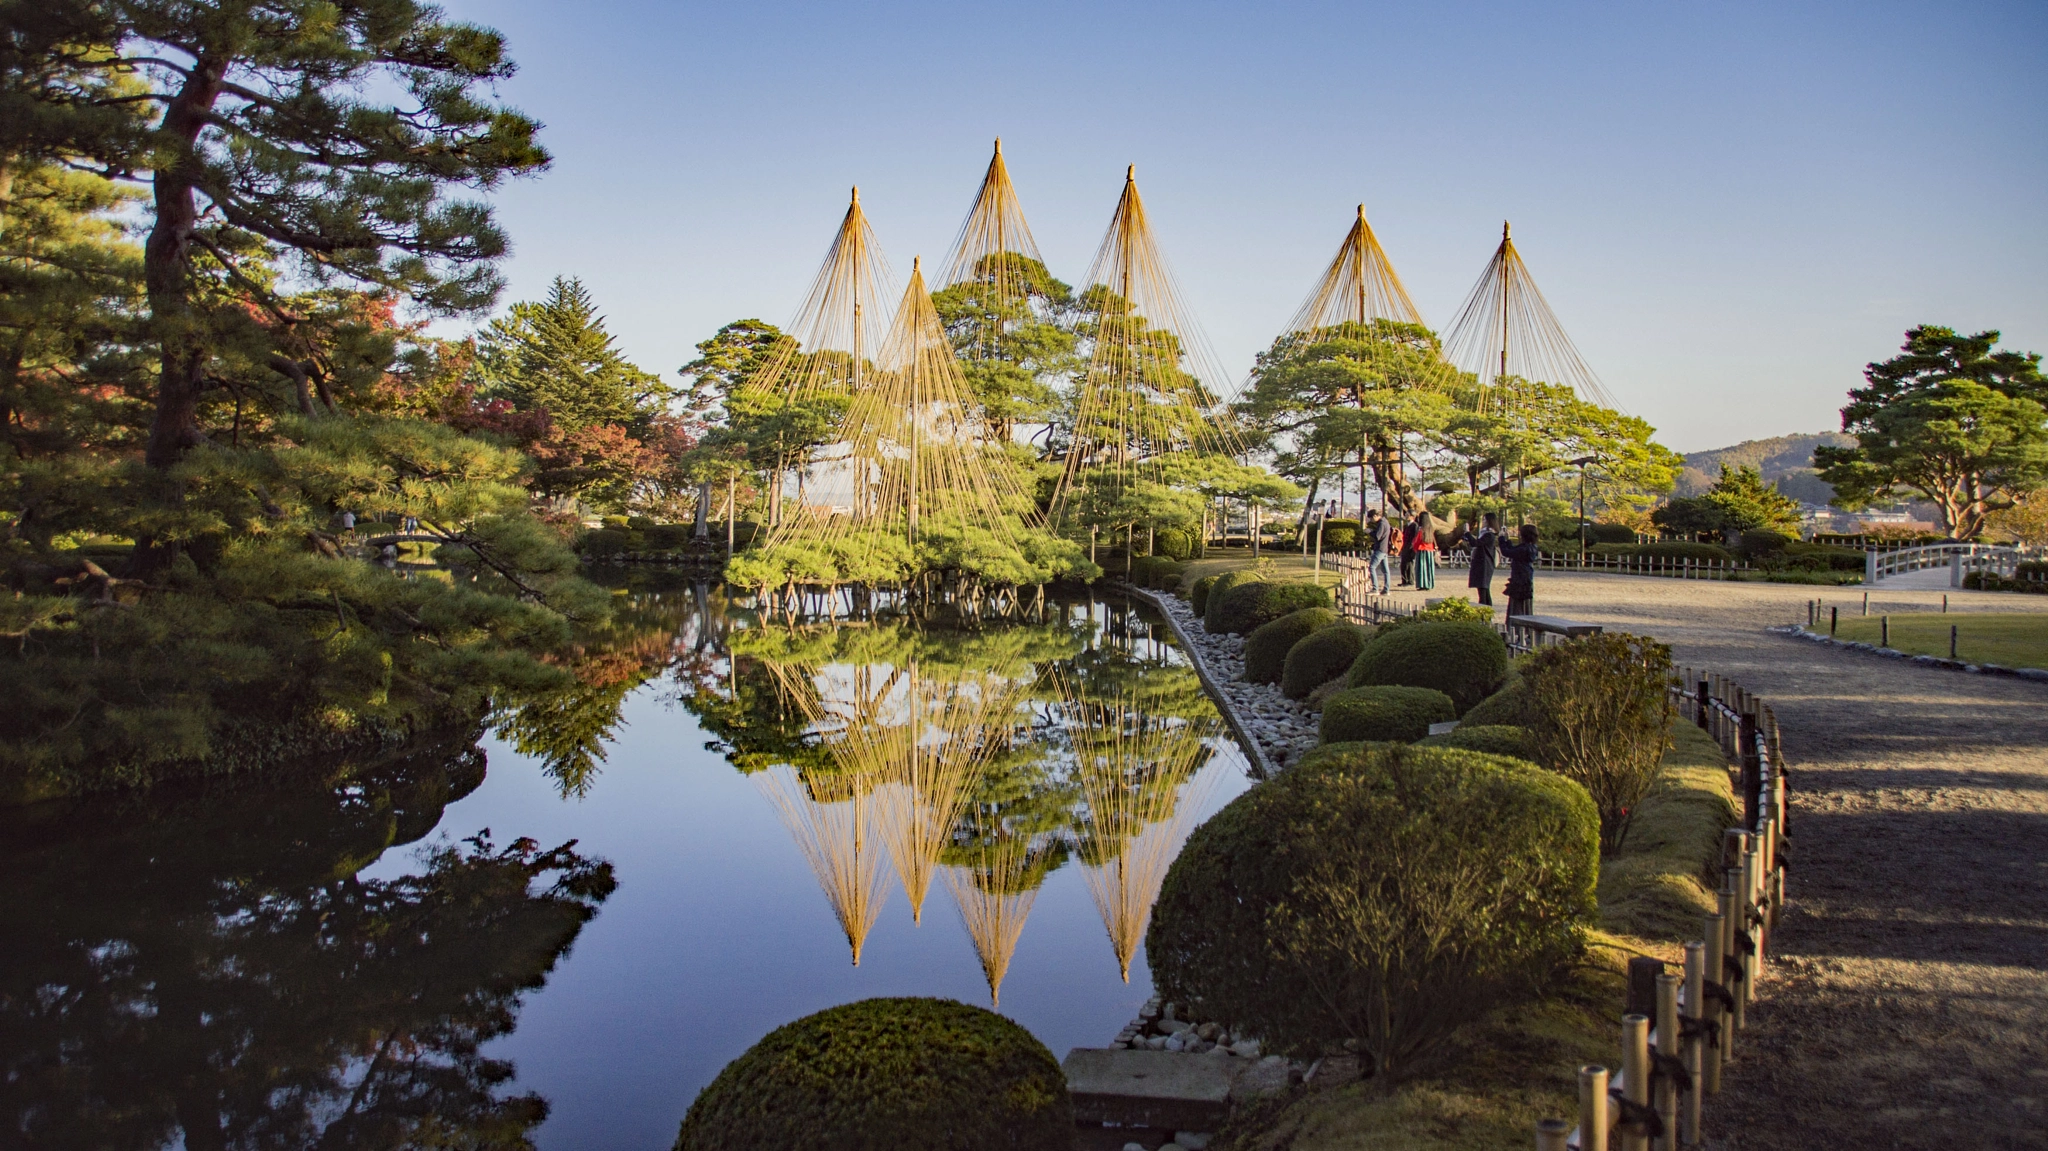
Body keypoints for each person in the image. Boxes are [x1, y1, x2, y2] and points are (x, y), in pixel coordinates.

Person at [1502, 523, 1540, 618]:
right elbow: (1512, 550)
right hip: (1526, 577)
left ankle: (1517, 625)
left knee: (1517, 604)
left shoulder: (1524, 549)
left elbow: (1506, 552)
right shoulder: (1531, 547)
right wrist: (1507, 540)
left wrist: (1501, 539)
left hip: (1519, 578)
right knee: (1524, 604)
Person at [1467, 512, 1500, 606]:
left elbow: (1476, 543)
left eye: (1485, 519)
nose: (1483, 521)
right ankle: (1486, 611)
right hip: (1482, 563)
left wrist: (1467, 532)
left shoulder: (1489, 535)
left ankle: (1484, 610)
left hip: (1484, 564)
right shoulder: (1485, 533)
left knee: (1483, 589)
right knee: (1483, 589)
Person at [1365, 508, 1393, 594]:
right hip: (1384, 549)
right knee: (1385, 570)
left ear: (1375, 516)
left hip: (1380, 549)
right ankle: (1386, 589)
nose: (1370, 520)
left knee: (1372, 567)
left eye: (1371, 518)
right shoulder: (1386, 522)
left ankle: (1375, 588)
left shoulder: (1382, 524)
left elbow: (1378, 536)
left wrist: (1370, 532)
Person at [1411, 505, 1438, 591]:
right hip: (1429, 550)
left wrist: (1414, 548)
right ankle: (1429, 584)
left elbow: (1416, 541)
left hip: (1422, 550)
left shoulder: (1421, 530)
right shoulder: (1430, 529)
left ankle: (1423, 584)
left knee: (1422, 568)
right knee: (1429, 568)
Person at [1398, 514, 1419, 586]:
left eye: (1408, 515)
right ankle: (1404, 580)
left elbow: (1415, 537)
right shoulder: (1406, 526)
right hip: (1405, 546)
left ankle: (1410, 581)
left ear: (1412, 516)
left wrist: (1412, 547)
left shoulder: (1415, 525)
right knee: (1403, 564)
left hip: (1410, 547)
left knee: (1409, 564)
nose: (1406, 516)